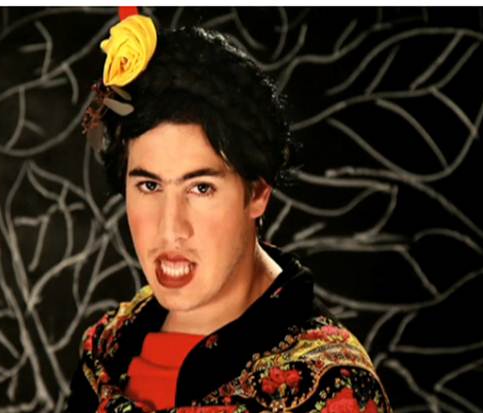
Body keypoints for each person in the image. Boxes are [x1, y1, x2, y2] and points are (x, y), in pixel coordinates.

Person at [67, 8, 391, 413]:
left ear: (258, 192)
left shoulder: (332, 387)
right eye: (150, 185)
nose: (170, 228)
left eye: (201, 187)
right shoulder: (108, 346)